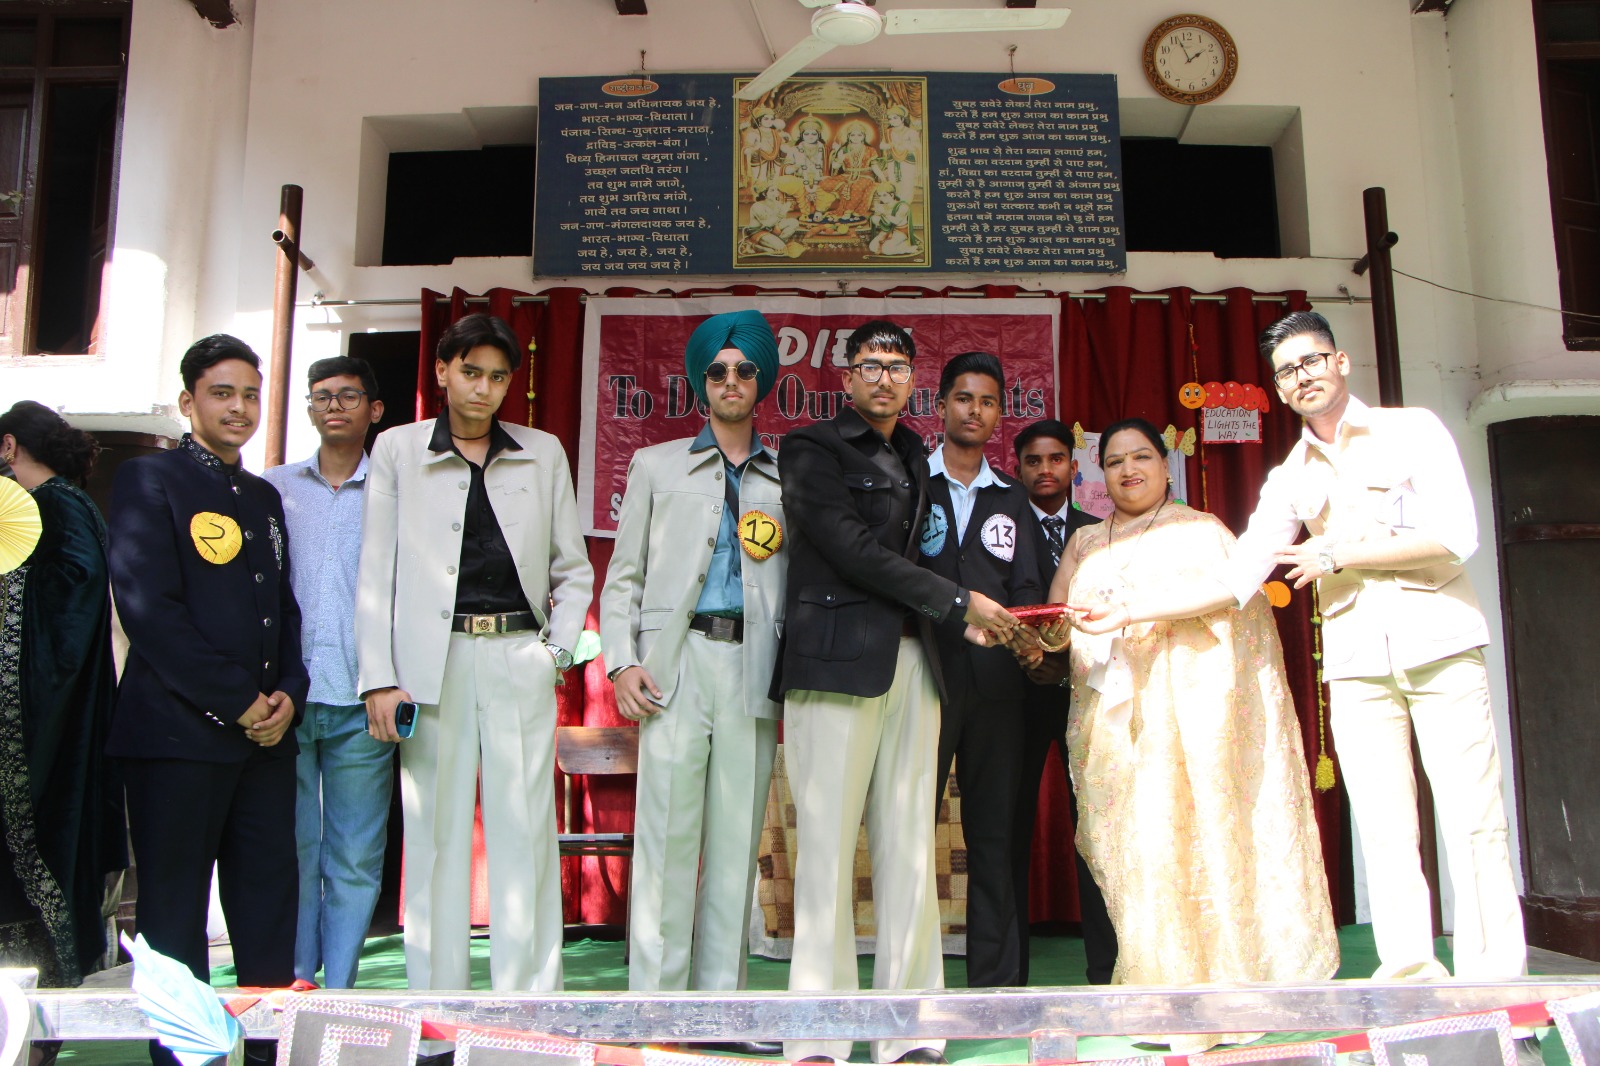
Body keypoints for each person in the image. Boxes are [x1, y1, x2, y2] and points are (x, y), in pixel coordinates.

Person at [1068, 312, 1530, 1051]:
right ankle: (1409, 984)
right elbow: (1236, 578)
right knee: (1385, 827)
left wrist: (1340, 552)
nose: (1302, 377)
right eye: (1287, 371)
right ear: (1279, 389)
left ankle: (1495, 988)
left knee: (1473, 820)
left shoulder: (1412, 431)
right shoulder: (1291, 477)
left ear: (1339, 362)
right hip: (1355, 661)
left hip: (1439, 644)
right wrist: (1131, 612)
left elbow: (1456, 536)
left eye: (1311, 361)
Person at [1040, 417, 1337, 1055]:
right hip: (1112, 726)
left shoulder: (1202, 530)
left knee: (1190, 843)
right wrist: (1045, 631)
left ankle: (1214, 992)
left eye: (1141, 457)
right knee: (1133, 849)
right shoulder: (1085, 541)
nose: (1128, 470)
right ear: (1099, 474)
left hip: (1187, 723)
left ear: (1165, 464)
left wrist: (1139, 616)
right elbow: (1058, 618)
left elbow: (1237, 615)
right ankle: (1147, 990)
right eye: (1114, 461)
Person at [774, 320, 1019, 1065]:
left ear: (913, 381)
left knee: (910, 845)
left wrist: (961, 618)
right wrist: (958, 602)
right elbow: (849, 549)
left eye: (898, 366)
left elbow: (918, 559)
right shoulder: (810, 448)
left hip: (916, 663)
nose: (885, 377)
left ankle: (909, 1030)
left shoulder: (915, 452)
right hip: (834, 663)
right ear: (847, 375)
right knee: (824, 849)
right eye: (871, 364)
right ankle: (818, 1033)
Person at [355, 313, 593, 1000]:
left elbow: (573, 570)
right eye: (470, 372)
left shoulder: (542, 452)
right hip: (430, 666)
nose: (483, 388)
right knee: (434, 835)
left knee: (526, 832)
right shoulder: (397, 449)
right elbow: (375, 572)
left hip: (519, 652)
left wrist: (554, 653)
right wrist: (380, 679)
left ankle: (530, 1007)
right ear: (441, 372)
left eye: (497, 376)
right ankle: (439, 1011)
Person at [106, 335, 307, 1065]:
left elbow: (283, 611)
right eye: (223, 393)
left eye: (251, 394)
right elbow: (148, 609)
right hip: (176, 737)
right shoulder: (149, 478)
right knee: (174, 914)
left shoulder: (262, 497)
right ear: (188, 401)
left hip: (265, 742)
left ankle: (267, 1052)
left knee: (268, 905)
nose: (239, 408)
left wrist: (287, 695)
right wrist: (238, 700)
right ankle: (183, 1057)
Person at [600, 311, 784, 1051]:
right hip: (673, 668)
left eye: (745, 370)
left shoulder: (787, 475)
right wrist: (622, 661)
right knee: (668, 840)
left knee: (737, 846)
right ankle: (656, 1014)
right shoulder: (656, 465)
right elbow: (623, 576)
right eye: (718, 371)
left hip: (753, 668)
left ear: (762, 381)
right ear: (700, 383)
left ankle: (722, 1014)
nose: (731, 381)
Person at [262, 356, 389, 990]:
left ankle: (338, 988)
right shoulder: (273, 489)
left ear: (375, 410)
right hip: (284, 700)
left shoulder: (396, 490)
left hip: (364, 700)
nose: (333, 406)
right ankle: (295, 982)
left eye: (348, 395)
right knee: (291, 849)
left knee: (355, 857)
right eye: (321, 396)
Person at [916, 353, 1042, 989]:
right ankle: (913, 977)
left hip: (997, 685)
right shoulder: (914, 481)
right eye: (964, 398)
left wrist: (1024, 637)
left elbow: (1027, 584)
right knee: (911, 827)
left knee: (993, 833)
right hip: (923, 676)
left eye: (988, 401)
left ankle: (997, 983)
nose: (975, 410)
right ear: (940, 405)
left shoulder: (1011, 497)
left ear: (999, 414)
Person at [0, 402, 125, 991]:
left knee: (37, 837)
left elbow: (74, 599)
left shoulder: (52, 504)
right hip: (54, 703)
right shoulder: (66, 502)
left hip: (44, 710)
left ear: (8, 446)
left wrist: (10, 595)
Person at [1008, 419, 1115, 985]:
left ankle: (1108, 968)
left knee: (1096, 829)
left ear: (1075, 468)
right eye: (1033, 461)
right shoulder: (1000, 527)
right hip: (1015, 696)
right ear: (1018, 468)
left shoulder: (1098, 533)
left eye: (1055, 459)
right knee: (1009, 831)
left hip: (1085, 696)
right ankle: (1006, 978)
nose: (1045, 470)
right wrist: (1029, 656)